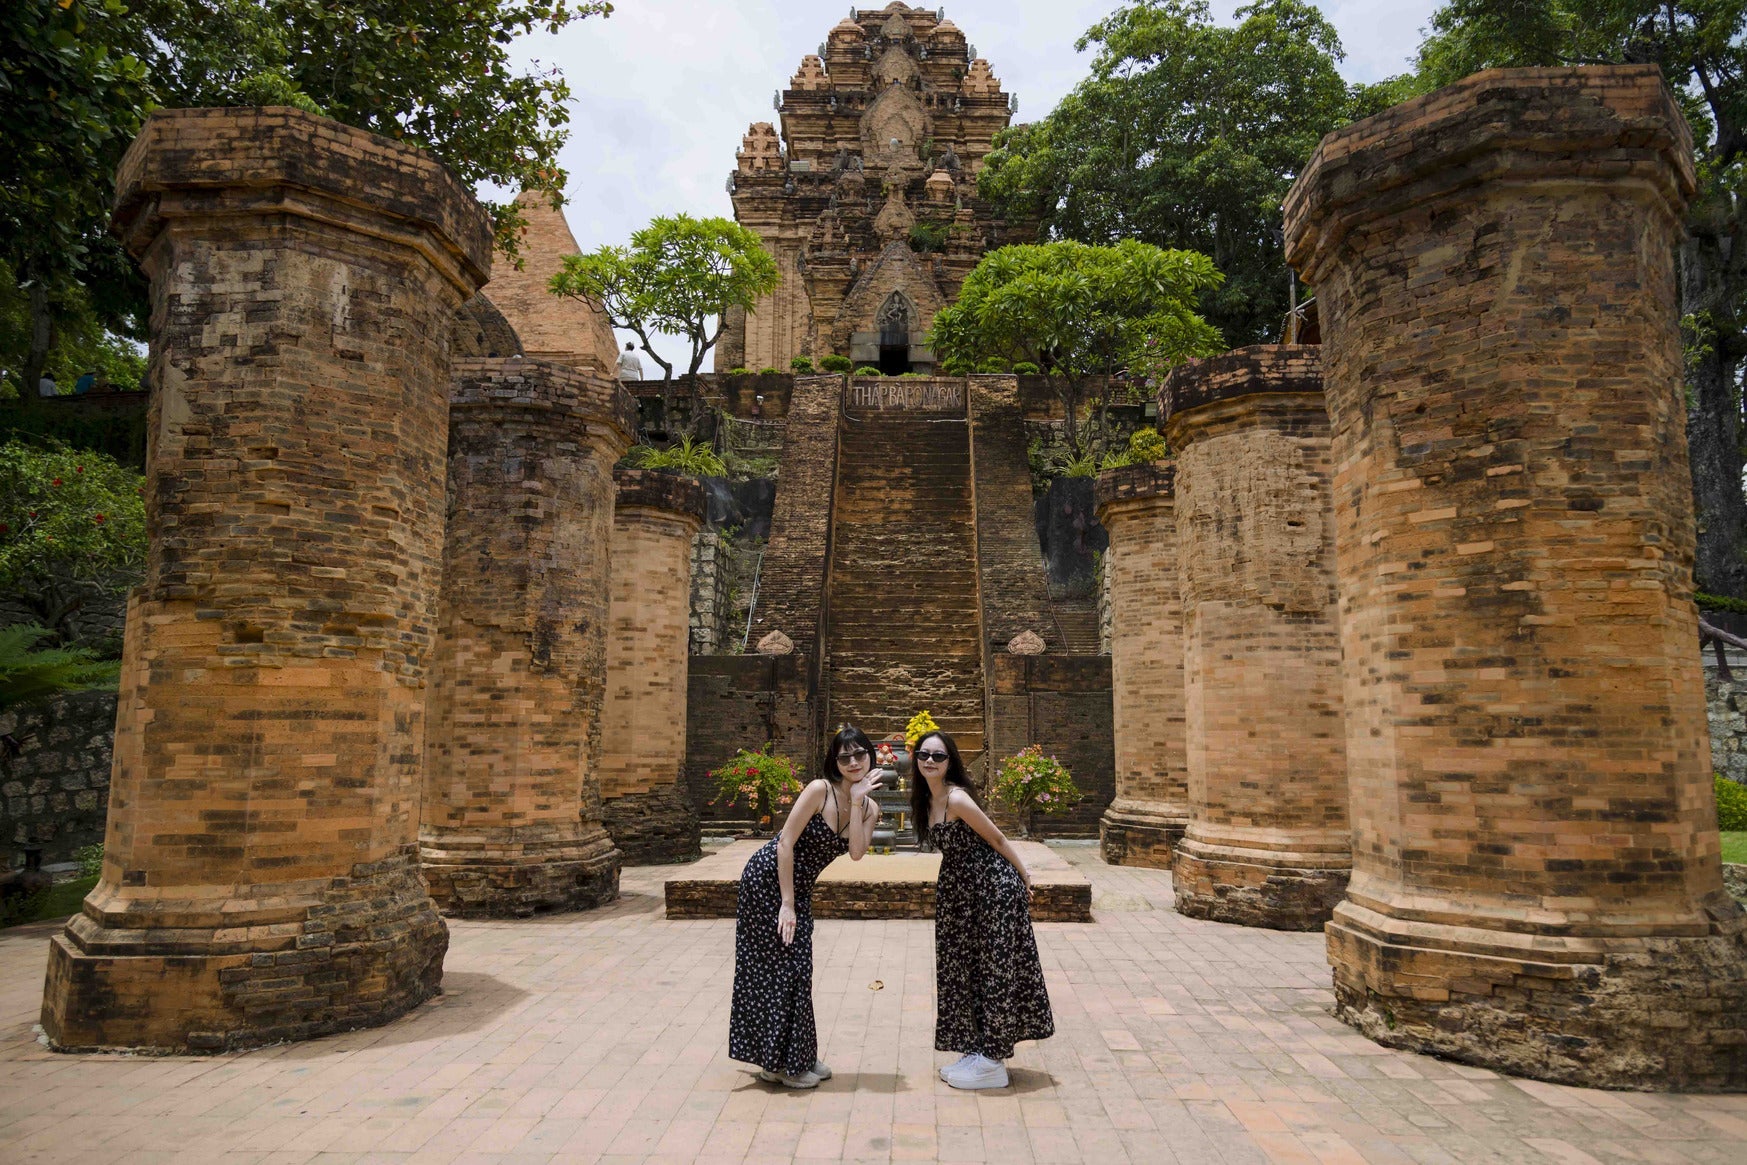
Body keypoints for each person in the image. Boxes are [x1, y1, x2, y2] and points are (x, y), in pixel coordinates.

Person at [729, 726, 883, 1088]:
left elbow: (857, 853)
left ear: (870, 757)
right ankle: (779, 1064)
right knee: (777, 968)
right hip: (768, 881)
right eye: (845, 756)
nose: (854, 762)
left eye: (860, 754)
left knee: (799, 968)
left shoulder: (870, 807)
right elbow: (784, 843)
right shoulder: (819, 790)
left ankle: (795, 1053)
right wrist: (787, 904)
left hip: (797, 890)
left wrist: (859, 801)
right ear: (835, 761)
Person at [911, 729, 1054, 1090]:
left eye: (938, 756)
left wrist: (1024, 874)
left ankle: (993, 1060)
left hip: (992, 889)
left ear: (950, 762)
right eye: (924, 754)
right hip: (962, 895)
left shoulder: (957, 799)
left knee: (994, 969)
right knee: (964, 968)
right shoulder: (926, 800)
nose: (930, 761)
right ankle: (977, 1046)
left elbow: (996, 837)